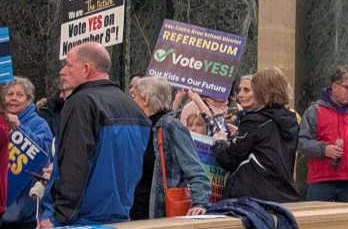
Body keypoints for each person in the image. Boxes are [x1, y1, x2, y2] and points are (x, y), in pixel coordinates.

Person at [40, 42, 151, 227]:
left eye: (68, 64)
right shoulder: (134, 108)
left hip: (80, 219)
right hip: (119, 218)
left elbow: (75, 164)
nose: (62, 71)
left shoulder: (80, 103)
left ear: (85, 69)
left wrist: (57, 217)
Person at [213, 67, 300, 202]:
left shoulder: (255, 120)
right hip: (284, 195)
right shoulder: (290, 120)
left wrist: (220, 141)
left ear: (260, 92)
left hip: (254, 198)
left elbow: (229, 159)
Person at [131, 77, 211, 219]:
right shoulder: (140, 126)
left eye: (134, 96)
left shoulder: (170, 126)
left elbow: (195, 170)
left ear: (146, 99)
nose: (131, 101)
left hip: (158, 214)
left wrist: (200, 204)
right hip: (134, 212)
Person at [298, 65, 348, 203]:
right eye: (347, 87)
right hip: (321, 180)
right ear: (334, 87)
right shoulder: (314, 111)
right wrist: (324, 149)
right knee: (317, 222)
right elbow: (301, 142)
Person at [3, 77, 54, 229]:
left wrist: (19, 128)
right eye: (10, 94)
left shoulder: (39, 124)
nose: (13, 98)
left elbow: (45, 152)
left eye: (19, 95)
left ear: (29, 100)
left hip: (25, 212)